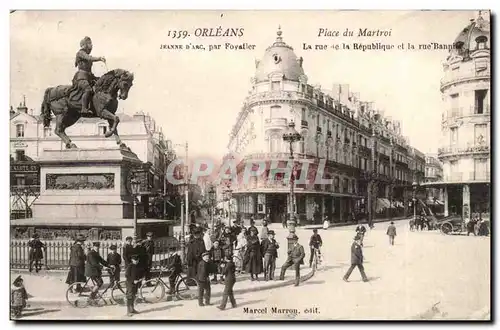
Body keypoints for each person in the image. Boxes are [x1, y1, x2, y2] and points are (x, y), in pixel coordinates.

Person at [73, 36, 106, 115]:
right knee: (88, 89)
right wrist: (99, 58)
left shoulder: (84, 54)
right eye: (89, 43)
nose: (91, 45)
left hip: (88, 77)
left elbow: (89, 72)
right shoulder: (80, 53)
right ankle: (84, 109)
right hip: (81, 78)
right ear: (85, 45)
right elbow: (89, 58)